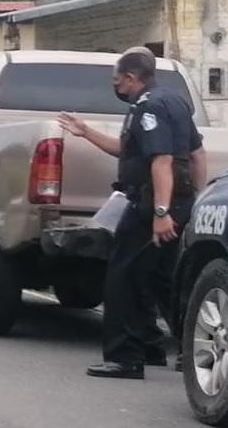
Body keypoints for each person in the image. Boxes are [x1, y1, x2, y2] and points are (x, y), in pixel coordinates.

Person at [58, 47, 207, 379]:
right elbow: (195, 154)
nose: (116, 87)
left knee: (122, 277)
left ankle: (125, 357)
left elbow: (161, 160)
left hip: (151, 204)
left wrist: (161, 211)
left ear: (130, 77)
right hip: (176, 201)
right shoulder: (173, 101)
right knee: (159, 278)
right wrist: (86, 131)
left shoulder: (149, 107)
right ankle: (159, 347)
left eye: (117, 81)